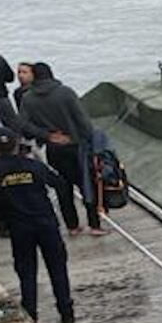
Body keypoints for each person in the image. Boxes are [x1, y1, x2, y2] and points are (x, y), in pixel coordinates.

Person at [0, 128, 76, 323]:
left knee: (27, 272)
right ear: (17, 144)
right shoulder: (34, 166)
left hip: (19, 227)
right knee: (58, 269)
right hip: (46, 223)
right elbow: (60, 184)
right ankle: (66, 312)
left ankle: (31, 315)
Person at [17, 62, 106, 236]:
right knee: (86, 185)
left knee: (62, 188)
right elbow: (83, 121)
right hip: (76, 147)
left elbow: (23, 124)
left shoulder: (28, 98)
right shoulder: (66, 93)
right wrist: (86, 139)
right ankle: (94, 225)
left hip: (53, 149)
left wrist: (46, 135)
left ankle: (72, 226)